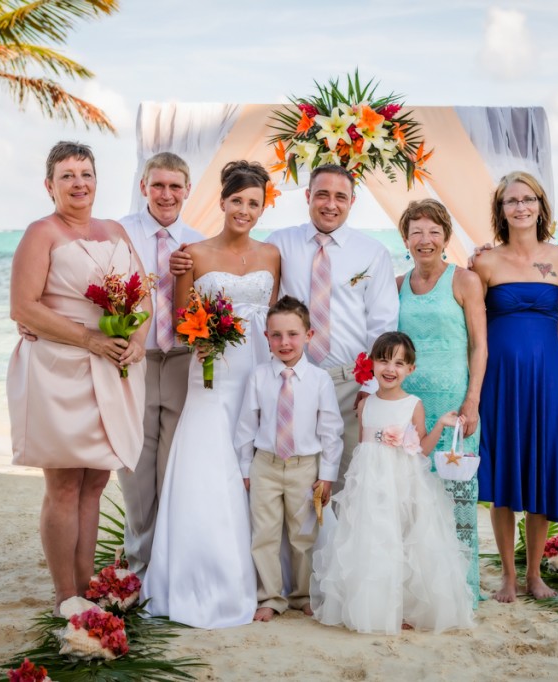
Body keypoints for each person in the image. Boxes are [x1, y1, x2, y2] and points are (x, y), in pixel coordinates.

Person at [171, 165, 399, 496]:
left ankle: (337, 548)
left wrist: (370, 383)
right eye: (321, 194)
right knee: (290, 479)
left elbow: (383, 323)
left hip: (348, 382)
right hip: (290, 379)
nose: (330, 204)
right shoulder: (279, 244)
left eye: (340, 197)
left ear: (352, 201)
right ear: (308, 197)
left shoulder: (373, 253)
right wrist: (181, 263)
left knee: (348, 480)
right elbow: (239, 265)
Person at [7, 141, 148, 614]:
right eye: (67, 175)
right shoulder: (40, 233)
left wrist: (139, 340)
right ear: (50, 185)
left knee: (95, 485)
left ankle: (86, 590)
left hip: (113, 368)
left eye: (85, 173)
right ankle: (64, 595)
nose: (79, 183)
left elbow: (144, 297)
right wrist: (88, 340)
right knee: (64, 485)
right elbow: (23, 307)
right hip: (59, 372)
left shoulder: (116, 231)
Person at [142, 160, 281, 628]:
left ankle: (267, 581)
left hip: (259, 375)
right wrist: (208, 337)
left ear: (263, 208)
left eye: (253, 203)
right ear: (221, 202)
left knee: (255, 466)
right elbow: (183, 324)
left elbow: (275, 321)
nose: (244, 210)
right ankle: (209, 577)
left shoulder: (272, 256)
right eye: (237, 201)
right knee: (210, 467)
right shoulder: (193, 254)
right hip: (213, 376)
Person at [311, 332, 475, 635]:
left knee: (404, 539)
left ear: (410, 369)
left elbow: (421, 449)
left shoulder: (413, 404)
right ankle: (373, 605)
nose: (390, 368)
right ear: (372, 363)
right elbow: (362, 448)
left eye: (399, 363)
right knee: (372, 539)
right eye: (384, 360)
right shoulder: (365, 404)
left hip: (403, 481)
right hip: (371, 482)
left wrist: (440, 425)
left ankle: (405, 607)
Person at [471, 171, 558, 601]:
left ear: (540, 205)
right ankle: (509, 579)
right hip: (500, 381)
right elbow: (472, 328)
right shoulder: (483, 262)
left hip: (547, 380)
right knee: (501, 476)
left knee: (541, 471)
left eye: (527, 199)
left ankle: (535, 575)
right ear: (500, 210)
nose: (520, 207)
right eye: (510, 201)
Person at [395, 199, 487, 607]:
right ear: (406, 238)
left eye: (434, 231)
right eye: (417, 231)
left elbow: (480, 346)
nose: (425, 239)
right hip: (412, 408)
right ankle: (418, 588)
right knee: (416, 495)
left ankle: (461, 588)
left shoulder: (464, 280)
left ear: (446, 238)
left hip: (454, 408)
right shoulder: (397, 284)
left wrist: (472, 401)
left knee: (457, 495)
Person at [117, 152, 204, 577]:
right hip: (136, 360)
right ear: (143, 188)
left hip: (184, 362)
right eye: (158, 185)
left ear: (188, 190)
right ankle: (137, 564)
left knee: (174, 468)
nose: (166, 194)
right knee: (135, 468)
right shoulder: (119, 234)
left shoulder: (199, 241)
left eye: (175, 186)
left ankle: (167, 567)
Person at [235, 296, 344, 622]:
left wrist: (327, 475)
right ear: (266, 337)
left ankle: (302, 595)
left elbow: (330, 431)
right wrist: (245, 468)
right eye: (277, 335)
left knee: (303, 536)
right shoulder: (258, 377)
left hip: (304, 468)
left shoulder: (320, 380)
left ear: (309, 335)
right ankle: (269, 596)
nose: (285, 342)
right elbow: (246, 425)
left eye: (293, 334)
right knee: (264, 534)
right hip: (265, 464)